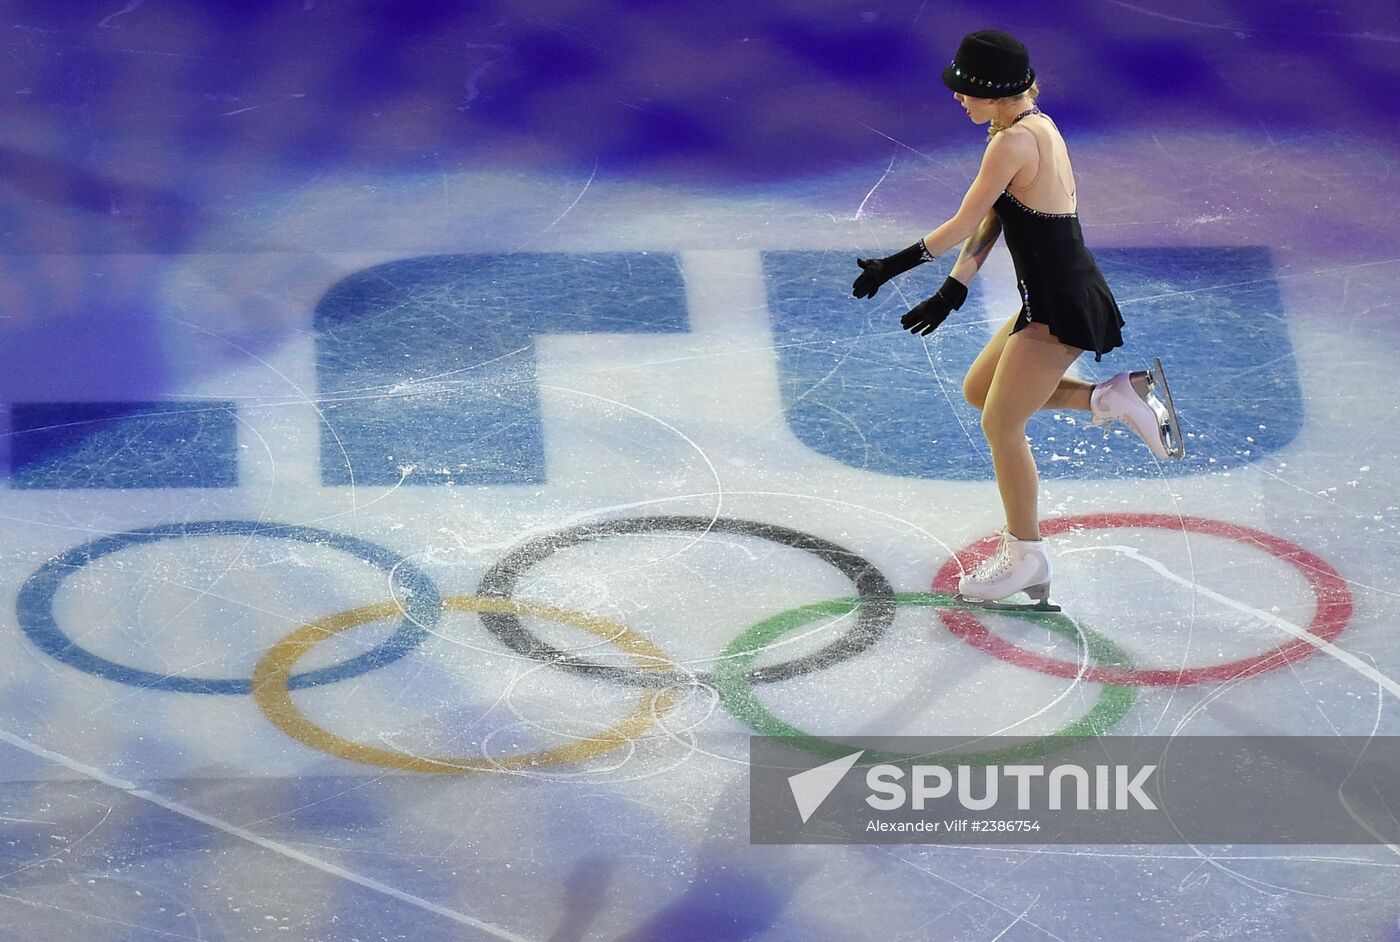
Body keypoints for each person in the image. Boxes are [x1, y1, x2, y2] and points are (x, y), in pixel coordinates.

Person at [851, 29, 1183, 610]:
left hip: (1059, 302)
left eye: (965, 90)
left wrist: (892, 266)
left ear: (994, 91)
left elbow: (960, 222)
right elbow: (998, 218)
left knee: (1002, 426)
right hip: (1049, 294)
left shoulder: (1011, 144)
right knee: (982, 391)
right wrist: (953, 290)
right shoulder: (1030, 126)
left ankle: (1026, 555)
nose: (957, 98)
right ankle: (1113, 397)